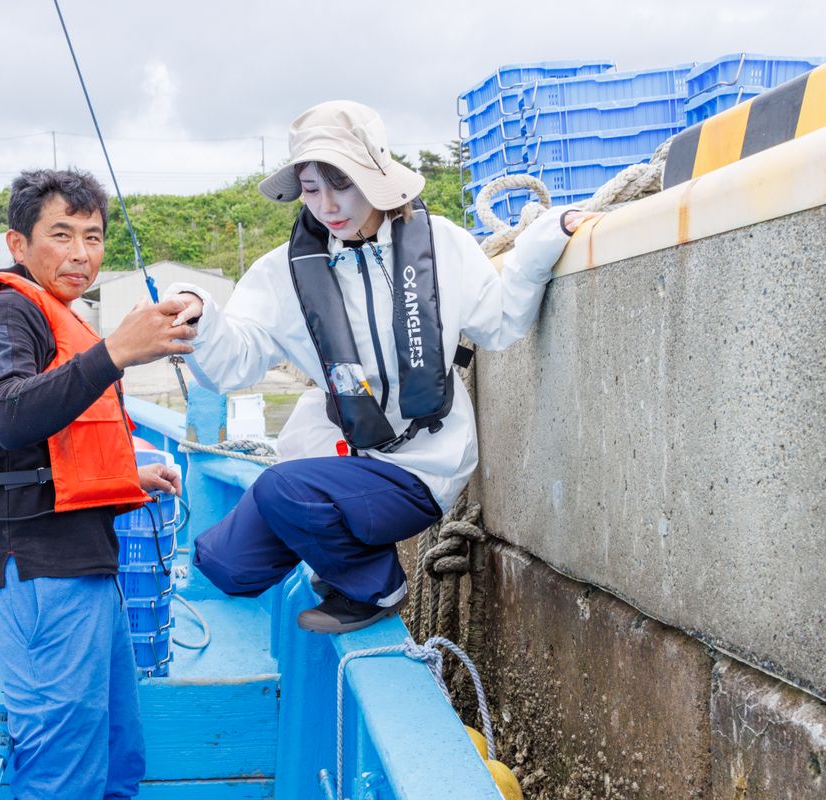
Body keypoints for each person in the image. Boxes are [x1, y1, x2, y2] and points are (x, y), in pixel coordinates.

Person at [166, 100, 598, 634]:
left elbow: (502, 323)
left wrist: (546, 239)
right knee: (226, 565)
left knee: (282, 491)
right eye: (310, 187)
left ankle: (377, 585)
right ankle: (336, 545)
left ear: (374, 175)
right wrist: (199, 314)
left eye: (341, 183)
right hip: (338, 456)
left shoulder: (441, 244)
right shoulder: (282, 271)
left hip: (420, 469)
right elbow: (235, 361)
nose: (328, 205)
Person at [0, 168, 194, 798]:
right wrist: (116, 351)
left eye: (93, 236)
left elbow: (45, 452)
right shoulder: (6, 312)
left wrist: (124, 473)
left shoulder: (56, 317)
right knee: (62, 768)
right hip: (36, 570)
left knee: (116, 754)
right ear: (17, 245)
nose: (81, 254)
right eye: (61, 235)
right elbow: (11, 412)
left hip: (81, 567)